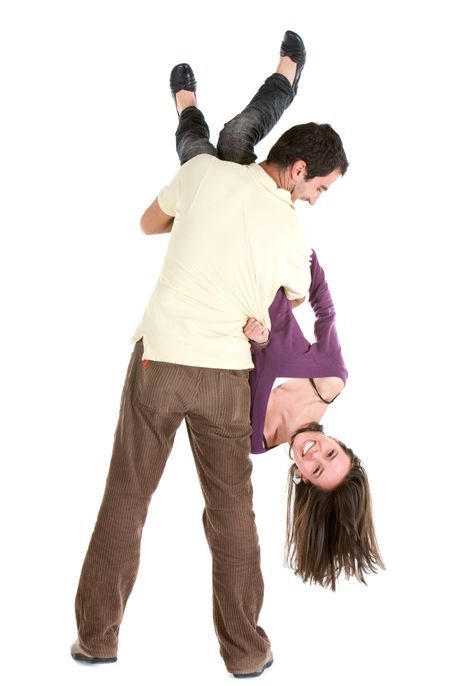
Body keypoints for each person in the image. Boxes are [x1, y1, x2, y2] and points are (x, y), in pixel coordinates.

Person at [71, 30, 349, 678]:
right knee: (231, 519)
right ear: (299, 171)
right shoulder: (292, 231)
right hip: (226, 379)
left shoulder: (201, 172)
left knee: (126, 498)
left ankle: (97, 640)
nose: (317, 200)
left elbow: (146, 224)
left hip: (161, 360)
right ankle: (247, 652)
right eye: (322, 188)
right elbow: (298, 298)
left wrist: (195, 214)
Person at [170, 47, 384, 592]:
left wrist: (252, 338)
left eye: (314, 469)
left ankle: (200, 102)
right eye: (331, 454)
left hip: (226, 271)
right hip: (265, 234)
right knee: (234, 141)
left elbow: (219, 358)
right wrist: (294, 246)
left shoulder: (255, 438)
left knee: (205, 155)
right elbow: (324, 303)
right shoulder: (330, 381)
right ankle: (264, 84)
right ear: (344, 446)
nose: (315, 453)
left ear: (299, 480)